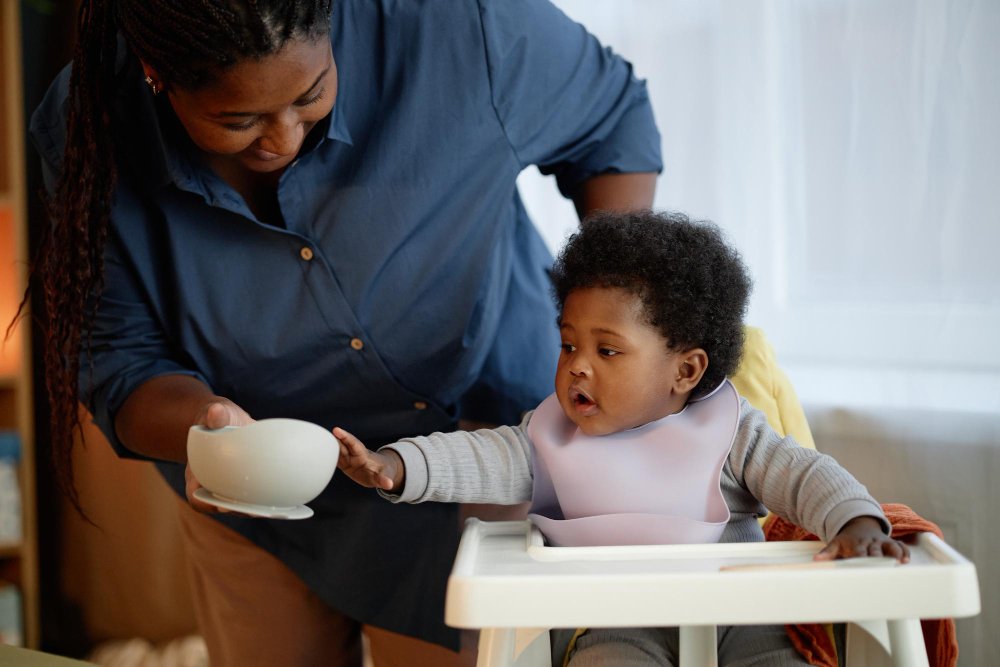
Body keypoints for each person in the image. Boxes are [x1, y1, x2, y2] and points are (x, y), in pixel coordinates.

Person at [27, 1, 660, 666]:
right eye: (236, 120)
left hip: (472, 451)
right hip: (259, 498)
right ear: (158, 74)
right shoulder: (90, 125)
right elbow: (117, 358)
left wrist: (611, 309)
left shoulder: (455, 29)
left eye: (311, 95)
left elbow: (612, 117)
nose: (284, 140)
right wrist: (206, 427)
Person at [336, 210, 911, 666]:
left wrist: (854, 521)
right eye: (568, 345)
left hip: (740, 607)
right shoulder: (550, 437)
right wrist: (398, 464)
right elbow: (477, 456)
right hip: (609, 615)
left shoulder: (731, 431)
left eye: (607, 350)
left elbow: (805, 474)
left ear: (684, 372)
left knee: (778, 657)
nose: (578, 366)